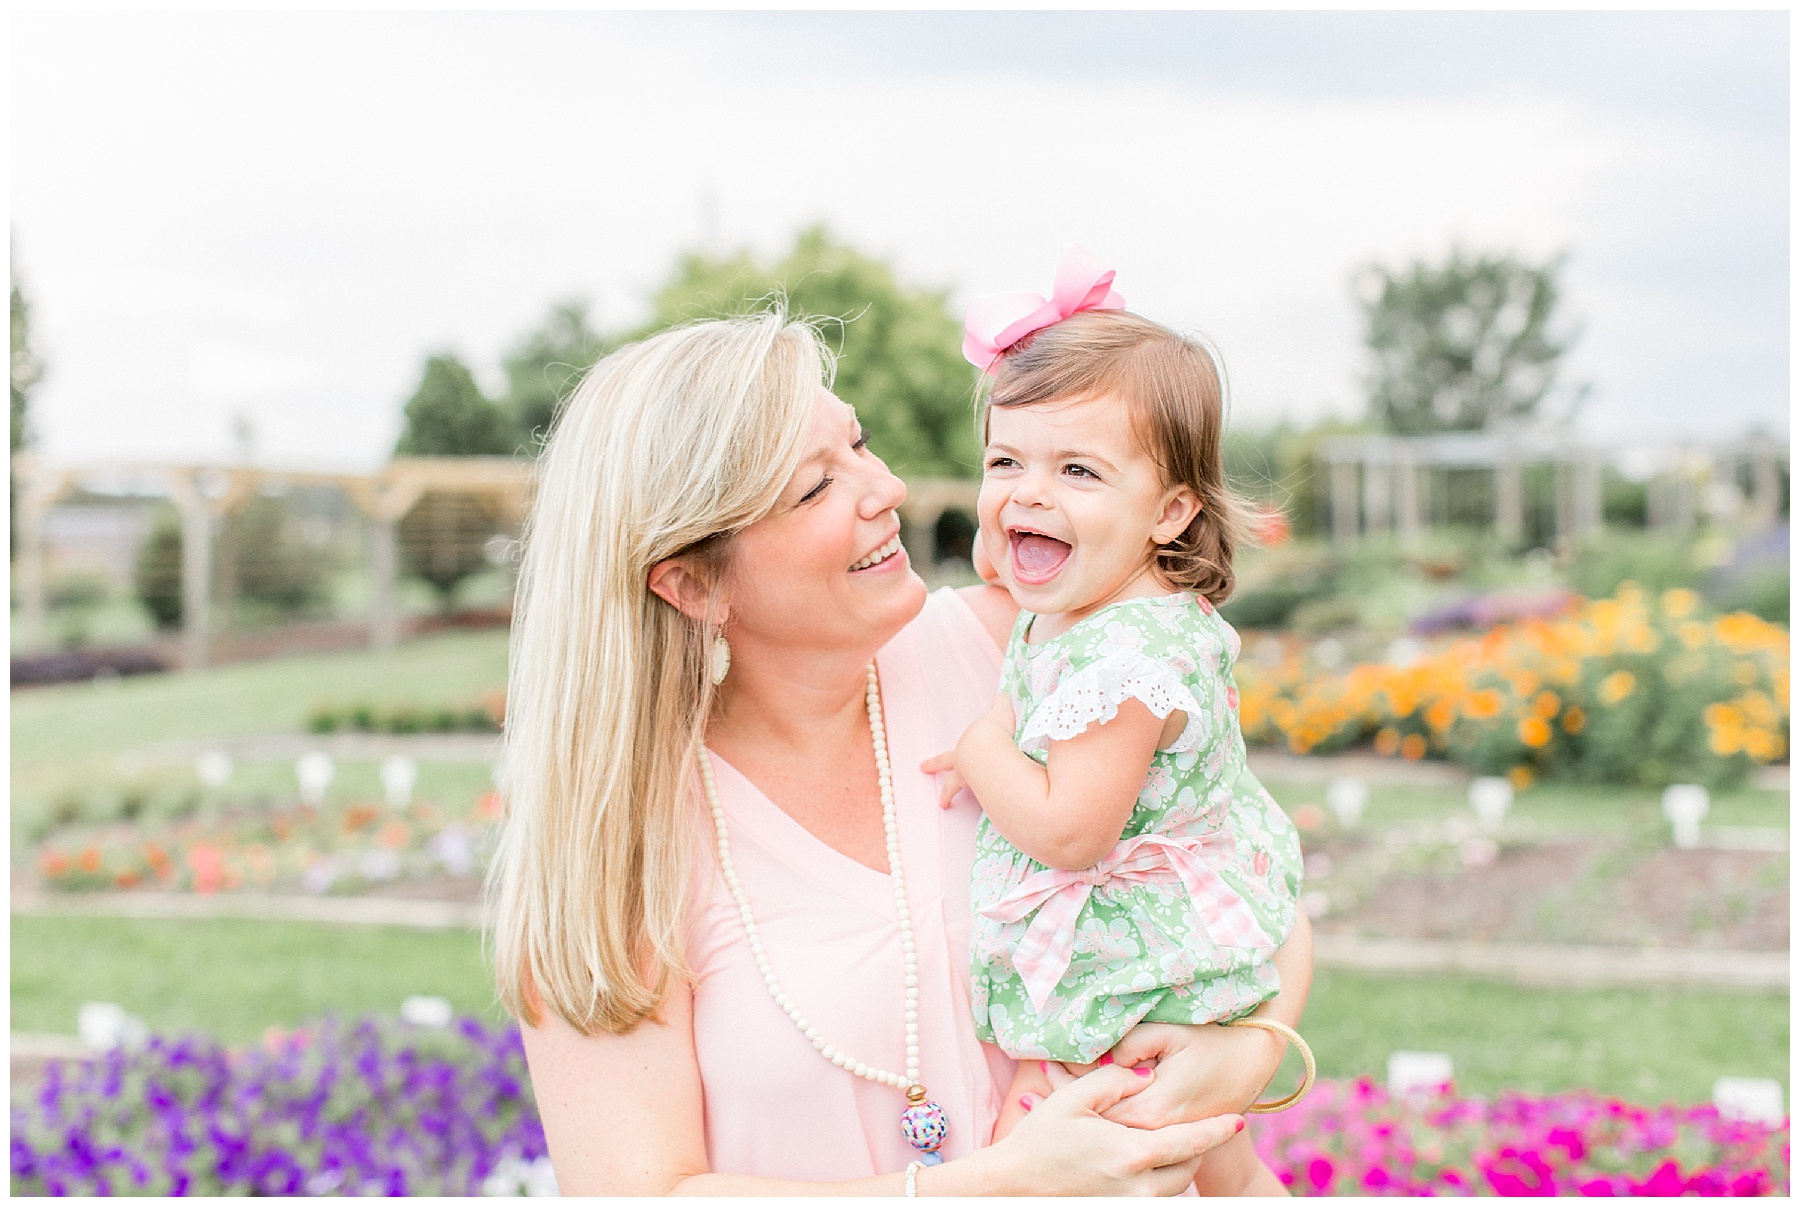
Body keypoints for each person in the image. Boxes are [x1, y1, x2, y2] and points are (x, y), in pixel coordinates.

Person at [486, 310, 1314, 1194]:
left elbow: (1243, 884)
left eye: (861, 444)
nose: (884, 487)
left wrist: (1241, 1057)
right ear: (694, 581)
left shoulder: (1027, 649)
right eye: (815, 488)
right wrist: (997, 1185)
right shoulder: (622, 845)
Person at [924, 249, 1308, 1195]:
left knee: (1076, 1148)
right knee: (1211, 1166)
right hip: (1161, 964)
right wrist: (1015, 524)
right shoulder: (1099, 606)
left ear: (1171, 511)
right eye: (1004, 461)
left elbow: (1068, 828)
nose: (1029, 492)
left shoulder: (1126, 661)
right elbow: (1006, 557)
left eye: (1078, 470)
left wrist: (982, 746)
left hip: (1134, 985)